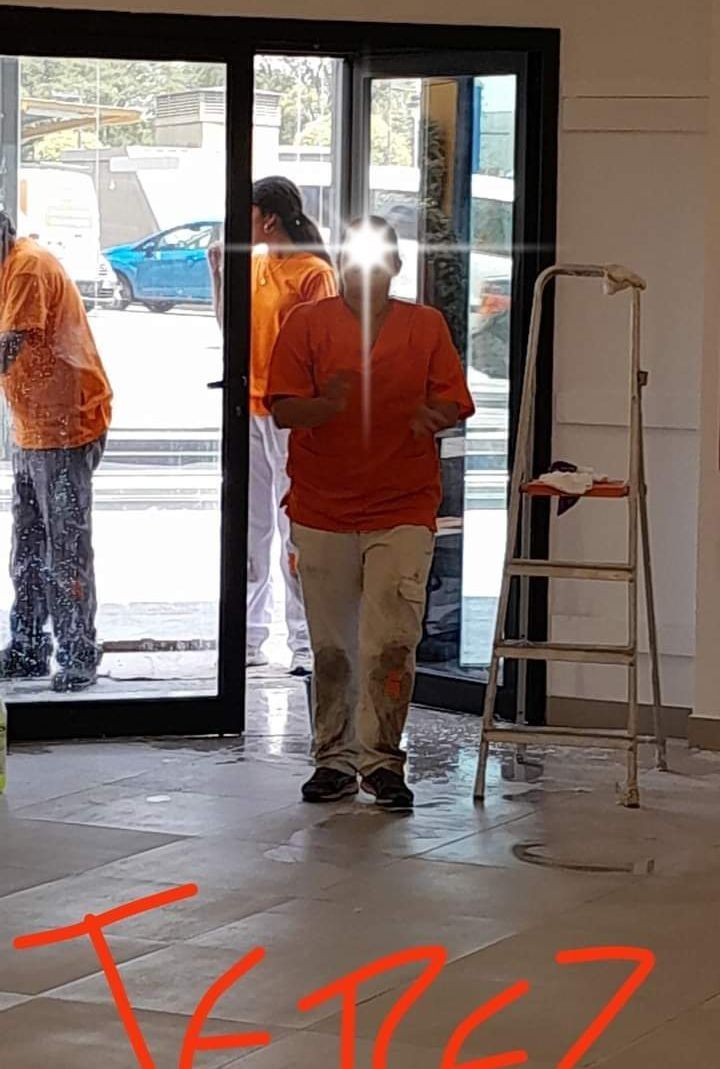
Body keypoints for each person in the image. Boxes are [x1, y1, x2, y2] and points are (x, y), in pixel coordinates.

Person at [267, 217, 475, 810]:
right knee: (332, 647)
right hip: (322, 506)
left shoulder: (424, 326)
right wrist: (326, 405)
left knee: (391, 642)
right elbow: (283, 410)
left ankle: (382, 761)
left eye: (376, 261)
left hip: (402, 505)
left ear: (396, 267)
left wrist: (430, 417)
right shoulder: (307, 323)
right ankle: (333, 759)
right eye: (354, 260)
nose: (364, 272)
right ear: (340, 266)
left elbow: (454, 400)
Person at [209, 177, 336, 674]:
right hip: (252, 407)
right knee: (251, 526)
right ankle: (247, 637)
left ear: (269, 220)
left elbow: (323, 346)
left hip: (289, 414)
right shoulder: (257, 265)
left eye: (249, 213)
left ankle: (304, 641)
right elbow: (233, 333)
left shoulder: (312, 273)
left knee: (293, 527)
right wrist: (219, 276)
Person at [0, 211, 112, 692]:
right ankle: (28, 647)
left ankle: (78, 652)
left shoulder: (26, 266)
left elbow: (8, 347)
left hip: (67, 423)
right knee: (28, 545)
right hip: (34, 424)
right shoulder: (9, 265)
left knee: (65, 547)